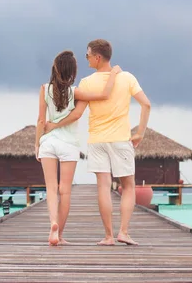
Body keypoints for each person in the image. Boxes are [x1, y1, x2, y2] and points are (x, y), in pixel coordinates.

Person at [45, 39, 151, 246]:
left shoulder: (86, 83)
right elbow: (146, 104)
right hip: (121, 139)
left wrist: (53, 125)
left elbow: (77, 113)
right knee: (128, 186)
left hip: (96, 140)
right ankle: (124, 232)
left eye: (87, 55)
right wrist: (140, 133)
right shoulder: (127, 77)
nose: (86, 59)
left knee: (103, 186)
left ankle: (109, 236)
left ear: (97, 57)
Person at [35, 50, 122, 246]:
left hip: (48, 142)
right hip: (69, 145)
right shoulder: (76, 92)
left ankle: (53, 224)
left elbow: (41, 120)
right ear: (72, 71)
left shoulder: (44, 89)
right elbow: (103, 95)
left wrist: (37, 143)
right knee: (64, 190)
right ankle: (60, 233)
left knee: (50, 188)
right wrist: (114, 74)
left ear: (55, 69)